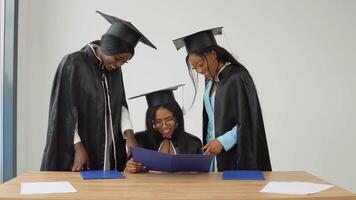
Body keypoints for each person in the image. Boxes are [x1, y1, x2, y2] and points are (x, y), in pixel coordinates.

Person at [41, 11, 156, 172]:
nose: (119, 65)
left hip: (109, 147)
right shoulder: (73, 63)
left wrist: (129, 135)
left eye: (124, 62)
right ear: (108, 47)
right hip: (82, 147)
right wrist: (77, 147)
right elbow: (65, 111)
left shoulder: (114, 70)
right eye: (117, 59)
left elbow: (120, 104)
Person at [172, 27, 272, 171]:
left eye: (201, 64)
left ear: (213, 54)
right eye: (195, 68)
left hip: (235, 154)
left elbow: (249, 120)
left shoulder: (237, 77)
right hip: (213, 156)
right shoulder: (210, 81)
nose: (199, 71)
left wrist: (222, 141)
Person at [125, 85, 202, 173]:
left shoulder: (193, 143)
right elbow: (127, 171)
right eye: (158, 122)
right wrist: (129, 168)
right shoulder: (140, 141)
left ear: (177, 118)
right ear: (152, 122)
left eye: (169, 120)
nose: (164, 126)